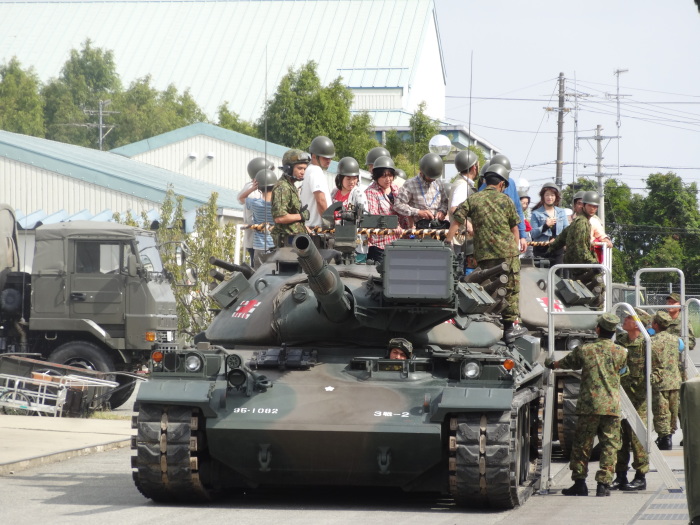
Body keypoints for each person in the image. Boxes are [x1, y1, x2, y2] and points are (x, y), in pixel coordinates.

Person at [545, 313, 628, 497]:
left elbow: (565, 363)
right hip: (611, 407)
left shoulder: (585, 350)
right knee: (609, 445)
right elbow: (624, 371)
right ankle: (603, 485)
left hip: (588, 406)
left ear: (598, 329)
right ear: (613, 331)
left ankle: (580, 483)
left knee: (582, 445)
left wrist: (550, 363)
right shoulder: (621, 352)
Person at [444, 164, 527, 342]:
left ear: (484, 181)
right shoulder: (506, 201)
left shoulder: (473, 199)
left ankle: (484, 326)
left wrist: (447, 242)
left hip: (484, 255)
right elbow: (515, 229)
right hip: (508, 253)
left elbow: (456, 221)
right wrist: (515, 250)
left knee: (487, 287)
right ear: (502, 184)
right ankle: (509, 329)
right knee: (510, 290)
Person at [611, 308, 652, 492]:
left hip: (639, 400)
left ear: (636, 323)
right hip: (621, 397)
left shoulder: (646, 344)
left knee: (638, 440)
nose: (624, 320)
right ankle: (620, 476)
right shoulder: (620, 342)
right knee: (620, 439)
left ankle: (640, 476)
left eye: (628, 318)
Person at [548, 191, 603, 305]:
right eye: (590, 206)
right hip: (581, 267)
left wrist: (549, 250)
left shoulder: (578, 221)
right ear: (584, 205)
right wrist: (593, 263)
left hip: (577, 265)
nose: (593, 209)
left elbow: (561, 238)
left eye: (595, 207)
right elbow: (580, 248)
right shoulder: (582, 223)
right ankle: (597, 316)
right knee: (600, 288)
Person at [650, 311, 683, 451]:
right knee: (673, 410)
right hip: (675, 380)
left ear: (655, 325)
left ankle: (665, 438)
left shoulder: (651, 341)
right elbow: (681, 350)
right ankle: (670, 433)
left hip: (660, 381)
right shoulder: (676, 339)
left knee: (661, 411)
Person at [480, 154, 527, 251]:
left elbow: (518, 210)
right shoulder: (483, 189)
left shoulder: (511, 184)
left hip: (511, 236)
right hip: (489, 239)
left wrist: (522, 236)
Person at [393, 153, 449, 229]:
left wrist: (442, 212)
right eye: (430, 177)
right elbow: (398, 205)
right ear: (422, 171)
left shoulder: (439, 183)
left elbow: (445, 202)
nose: (432, 180)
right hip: (419, 229)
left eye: (434, 177)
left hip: (437, 227)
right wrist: (418, 212)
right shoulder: (410, 184)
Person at [665, 292, 694, 438]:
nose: (669, 305)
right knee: (664, 402)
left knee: (681, 402)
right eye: (668, 302)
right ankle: (665, 434)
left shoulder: (683, 322)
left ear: (679, 306)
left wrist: (678, 345)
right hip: (663, 367)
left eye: (673, 302)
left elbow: (692, 343)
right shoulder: (661, 320)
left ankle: (686, 433)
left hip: (678, 366)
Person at [364, 156, 403, 262]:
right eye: (384, 176)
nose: (388, 179)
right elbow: (374, 216)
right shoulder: (371, 192)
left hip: (399, 242)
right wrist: (392, 224)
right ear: (376, 176)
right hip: (380, 245)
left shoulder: (396, 189)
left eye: (390, 175)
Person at [271, 149, 311, 247]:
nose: (303, 172)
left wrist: (305, 228)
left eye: (305, 169)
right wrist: (301, 216)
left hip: (294, 241)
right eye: (300, 168)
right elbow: (280, 218)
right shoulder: (283, 187)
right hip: (286, 244)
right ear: (288, 168)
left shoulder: (291, 186)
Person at [238, 157, 274, 265]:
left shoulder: (250, 190)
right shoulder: (275, 204)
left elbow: (241, 198)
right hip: (267, 241)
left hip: (258, 243)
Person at [331, 157, 368, 261]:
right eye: (348, 178)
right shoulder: (334, 192)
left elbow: (363, 218)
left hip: (356, 244)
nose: (352, 181)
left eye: (354, 178)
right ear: (340, 178)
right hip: (337, 240)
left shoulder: (358, 193)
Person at [448, 149, 479, 257]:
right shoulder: (462, 185)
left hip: (462, 239)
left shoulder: (464, 183)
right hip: (460, 239)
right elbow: (454, 209)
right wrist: (469, 225)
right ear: (474, 167)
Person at [529, 181, 569, 265]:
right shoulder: (536, 213)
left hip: (557, 250)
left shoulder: (561, 212)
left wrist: (558, 240)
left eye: (552, 195)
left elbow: (567, 230)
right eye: (547, 195)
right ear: (543, 196)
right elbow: (533, 234)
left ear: (556, 197)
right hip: (541, 250)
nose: (549, 197)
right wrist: (546, 226)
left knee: (557, 275)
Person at [300, 136, 334, 228]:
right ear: (314, 156)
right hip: (316, 229)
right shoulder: (316, 170)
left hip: (310, 227)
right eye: (325, 158)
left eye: (330, 158)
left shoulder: (308, 170)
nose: (329, 161)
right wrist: (329, 224)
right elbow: (320, 200)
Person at [246, 169, 278, 268]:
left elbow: (242, 198)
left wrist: (252, 188)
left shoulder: (255, 203)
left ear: (259, 187)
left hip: (259, 246)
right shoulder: (278, 206)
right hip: (274, 246)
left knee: (258, 276)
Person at [518, 189, 533, 258]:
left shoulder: (524, 218)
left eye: (527, 203)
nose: (524, 205)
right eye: (523, 202)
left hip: (527, 250)